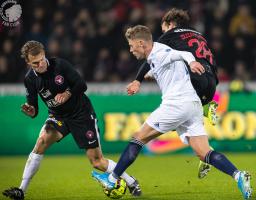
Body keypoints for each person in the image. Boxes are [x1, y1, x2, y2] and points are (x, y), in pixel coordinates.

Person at [92, 25, 252, 200]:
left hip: (176, 104)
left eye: (131, 46)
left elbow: (184, 55)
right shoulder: (157, 54)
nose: (130, 50)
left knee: (138, 137)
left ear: (141, 43)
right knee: (204, 152)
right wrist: (147, 76)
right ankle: (238, 175)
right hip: (193, 105)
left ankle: (113, 178)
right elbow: (167, 64)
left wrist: (192, 62)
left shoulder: (160, 52)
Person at [2, 41, 141, 200]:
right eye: (35, 63)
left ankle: (131, 182)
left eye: (41, 59)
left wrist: (67, 94)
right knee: (41, 142)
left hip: (81, 114)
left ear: (44, 54)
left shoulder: (60, 65)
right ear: (28, 63)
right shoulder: (30, 79)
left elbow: (82, 85)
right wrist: (31, 111)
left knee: (97, 162)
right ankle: (21, 191)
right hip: (58, 116)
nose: (40, 64)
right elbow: (34, 108)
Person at [126, 8, 219, 179]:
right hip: (211, 81)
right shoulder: (198, 34)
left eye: (163, 28)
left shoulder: (171, 35)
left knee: (180, 107)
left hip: (195, 77)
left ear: (170, 24)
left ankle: (206, 110)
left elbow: (152, 56)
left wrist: (138, 79)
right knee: (190, 116)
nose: (162, 32)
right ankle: (207, 110)